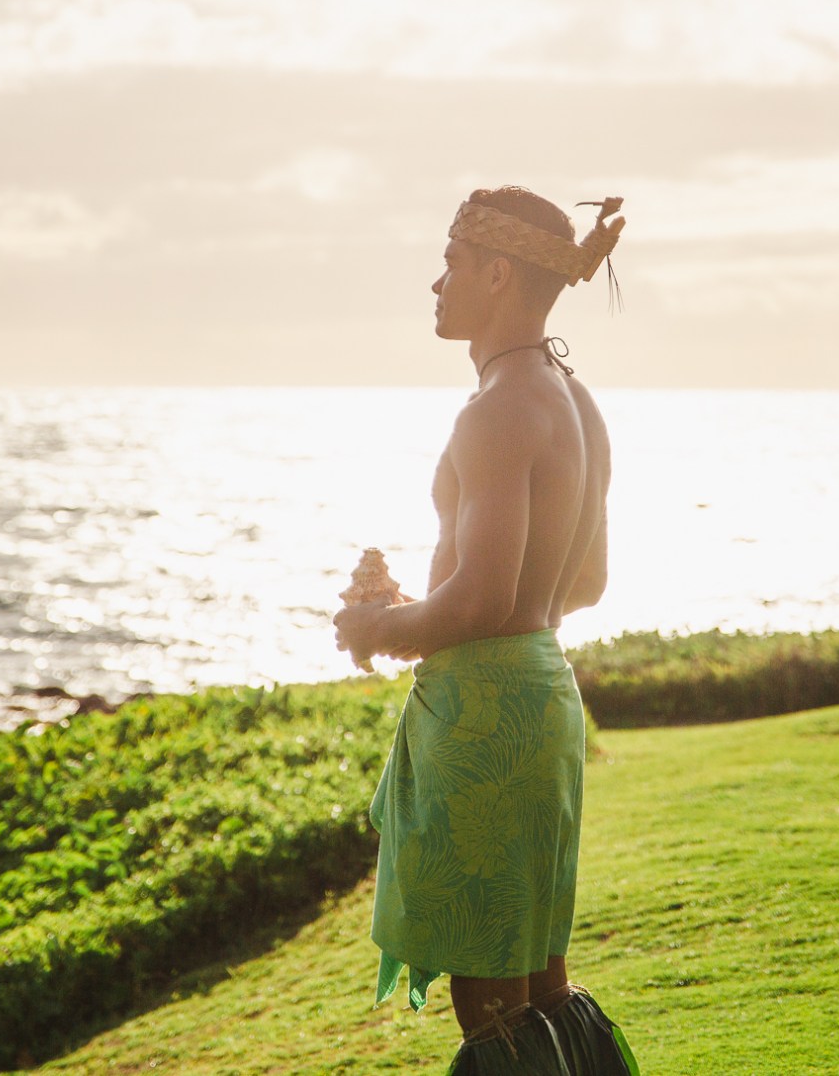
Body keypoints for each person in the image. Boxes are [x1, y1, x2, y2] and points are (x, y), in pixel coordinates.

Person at [335, 187, 640, 1075]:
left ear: (499, 274)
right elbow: (581, 583)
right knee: (541, 979)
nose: (437, 282)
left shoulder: (498, 409)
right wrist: (408, 609)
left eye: (454, 263)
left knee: (493, 1003)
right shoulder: (575, 403)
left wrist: (373, 625)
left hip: (487, 719)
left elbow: (477, 602)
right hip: (544, 693)